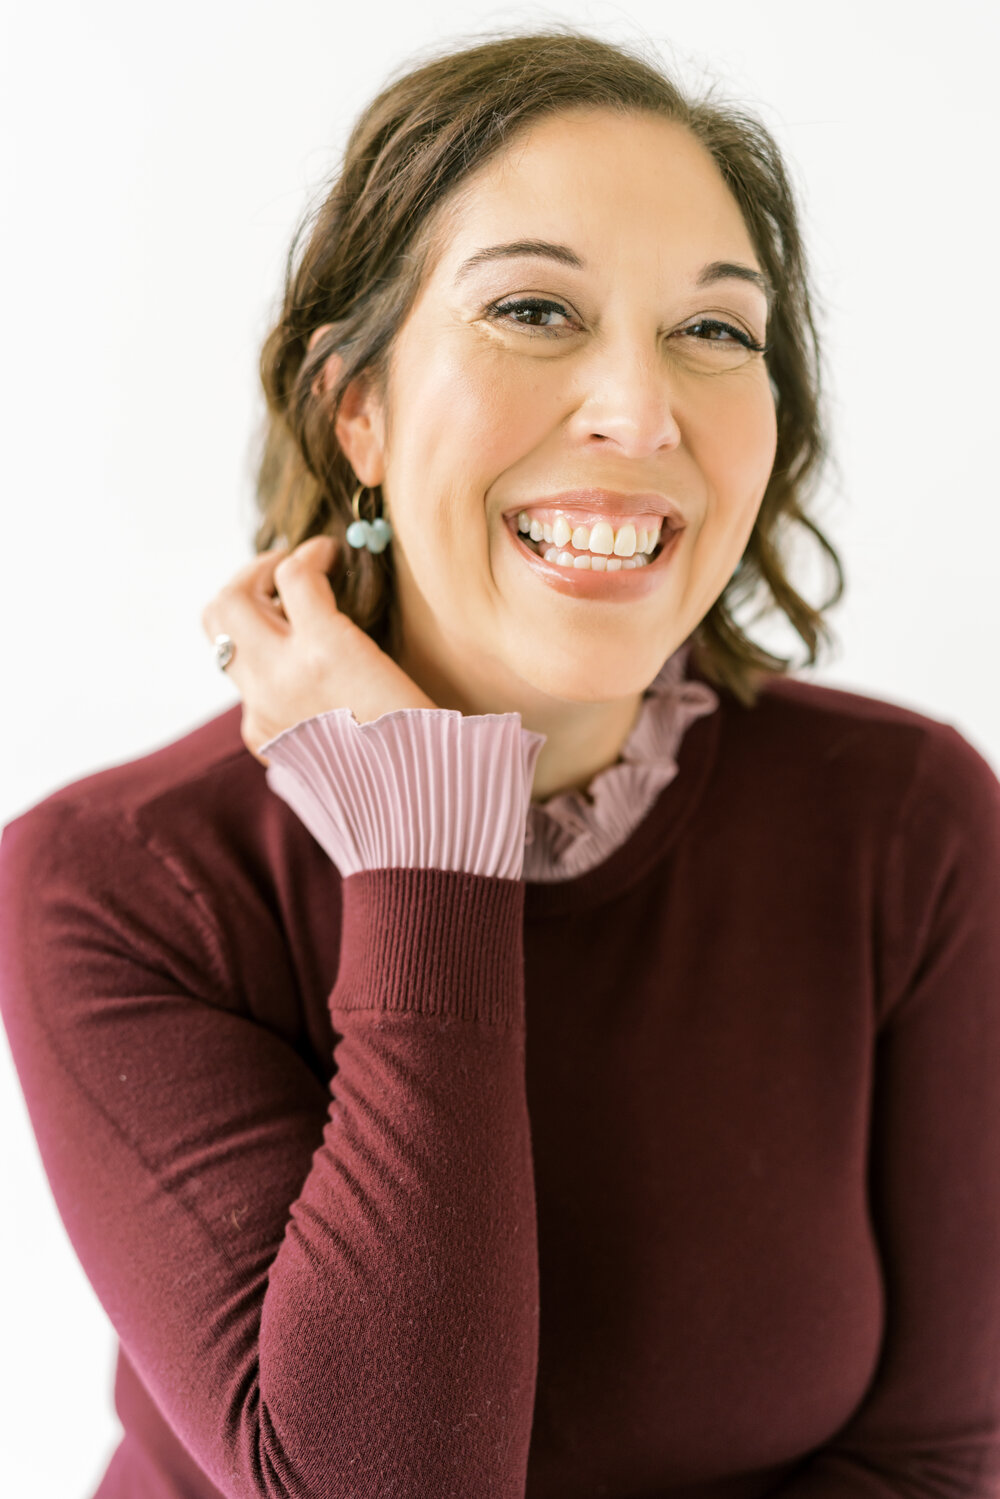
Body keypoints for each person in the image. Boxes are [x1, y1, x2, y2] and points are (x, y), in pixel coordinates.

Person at [2, 23, 999, 1499]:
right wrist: (423, 839)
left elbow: (936, 1457)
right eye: (535, 309)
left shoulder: (907, 823)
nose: (641, 412)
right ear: (360, 410)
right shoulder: (122, 881)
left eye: (715, 331)